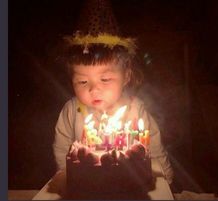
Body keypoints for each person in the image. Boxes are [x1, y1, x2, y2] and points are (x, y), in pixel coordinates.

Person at [53, 42, 174, 184]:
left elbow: (156, 153)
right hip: (86, 186)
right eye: (83, 81)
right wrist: (68, 178)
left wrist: (166, 183)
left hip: (132, 185)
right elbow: (61, 151)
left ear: (126, 76)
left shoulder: (136, 109)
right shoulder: (71, 111)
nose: (94, 89)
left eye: (105, 79)